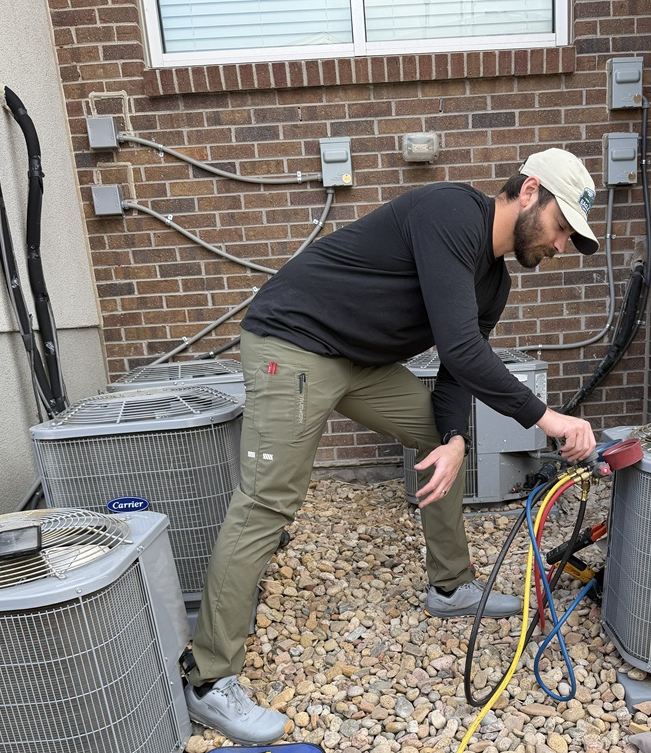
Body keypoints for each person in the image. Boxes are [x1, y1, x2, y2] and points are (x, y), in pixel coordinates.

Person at [181, 147, 601, 745]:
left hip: (359, 362)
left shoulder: (495, 284)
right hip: (294, 342)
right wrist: (547, 418)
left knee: (439, 439)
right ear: (529, 191)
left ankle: (450, 585)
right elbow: (460, 347)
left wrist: (455, 438)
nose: (561, 246)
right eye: (563, 228)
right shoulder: (450, 212)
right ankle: (207, 677)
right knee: (269, 499)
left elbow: (457, 373)